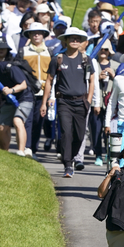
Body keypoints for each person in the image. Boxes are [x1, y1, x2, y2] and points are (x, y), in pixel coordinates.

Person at [41, 27, 94, 178]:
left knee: (79, 135)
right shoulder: (58, 59)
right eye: (72, 38)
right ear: (65, 40)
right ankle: (68, 164)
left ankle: (70, 157)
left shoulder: (86, 59)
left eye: (78, 39)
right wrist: (44, 103)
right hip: (64, 102)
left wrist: (89, 100)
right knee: (66, 132)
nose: (75, 41)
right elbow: (49, 81)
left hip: (81, 102)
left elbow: (91, 80)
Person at [0, 39, 32, 155]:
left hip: (24, 98)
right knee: (0, 127)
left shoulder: (9, 67)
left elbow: (24, 84)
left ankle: (21, 151)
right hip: (10, 101)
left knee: (17, 121)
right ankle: (5, 153)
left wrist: (11, 90)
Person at [19, 22, 51, 156]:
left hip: (43, 92)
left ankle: (34, 147)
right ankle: (27, 147)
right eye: (33, 33)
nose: (36, 35)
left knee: (39, 121)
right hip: (27, 90)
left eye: (39, 32)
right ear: (30, 35)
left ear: (43, 35)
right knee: (28, 119)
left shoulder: (49, 52)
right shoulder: (24, 51)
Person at [91, 39, 119, 165]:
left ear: (109, 52)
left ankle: (109, 154)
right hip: (96, 103)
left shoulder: (116, 65)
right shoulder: (93, 64)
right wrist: (98, 78)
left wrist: (114, 76)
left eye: (106, 49)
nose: (103, 51)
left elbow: (121, 82)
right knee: (96, 130)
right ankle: (98, 154)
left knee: (109, 131)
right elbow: (88, 81)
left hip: (111, 103)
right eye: (101, 49)